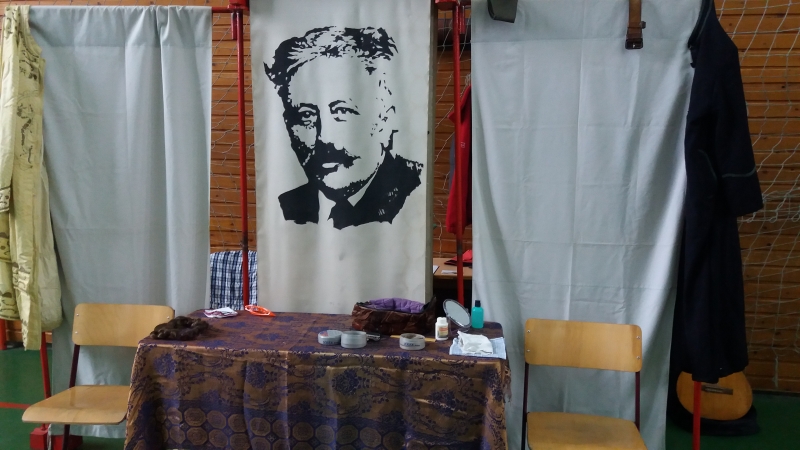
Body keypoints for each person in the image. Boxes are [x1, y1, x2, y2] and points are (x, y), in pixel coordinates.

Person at [265, 26, 423, 229]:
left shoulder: (416, 193)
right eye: (306, 115)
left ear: (386, 119)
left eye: (342, 111)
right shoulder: (285, 210)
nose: (324, 138)